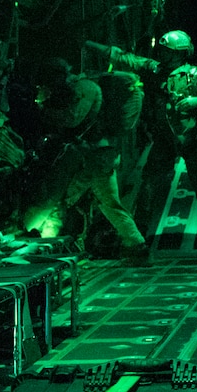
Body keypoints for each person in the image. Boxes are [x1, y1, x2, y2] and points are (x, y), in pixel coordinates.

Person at [86, 31, 197, 261]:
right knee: (149, 188)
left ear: (179, 54)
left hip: (195, 141)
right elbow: (127, 58)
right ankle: (139, 241)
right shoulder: (155, 70)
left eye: (167, 51)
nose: (162, 54)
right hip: (165, 141)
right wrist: (91, 44)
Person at [21, 61, 150, 266]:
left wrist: (41, 110)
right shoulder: (84, 87)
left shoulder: (85, 88)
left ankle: (34, 238)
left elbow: (73, 118)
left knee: (59, 196)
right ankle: (136, 244)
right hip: (102, 154)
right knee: (109, 203)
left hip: (89, 154)